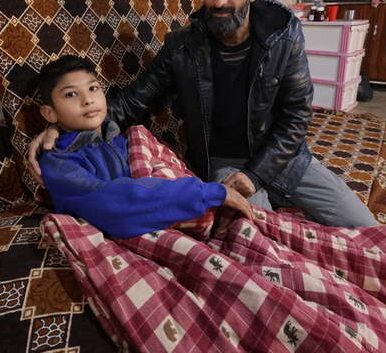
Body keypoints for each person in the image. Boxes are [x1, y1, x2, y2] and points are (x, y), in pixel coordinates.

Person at [30, 0, 377, 228]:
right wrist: (63, 129)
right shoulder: (182, 48)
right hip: (223, 163)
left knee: (365, 228)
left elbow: (297, 116)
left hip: (284, 158)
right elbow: (131, 102)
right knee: (270, 246)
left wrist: (258, 175)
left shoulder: (284, 37)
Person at [36, 54, 253, 238]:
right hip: (143, 228)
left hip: (193, 204)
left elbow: (168, 171)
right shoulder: (59, 161)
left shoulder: (125, 141)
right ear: (49, 113)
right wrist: (208, 193)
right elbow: (114, 203)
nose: (88, 100)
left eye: (93, 88)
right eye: (71, 94)